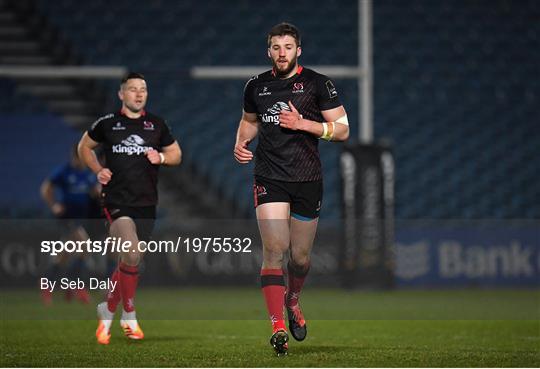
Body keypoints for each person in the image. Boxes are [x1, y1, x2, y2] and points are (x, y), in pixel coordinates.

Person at [234, 22, 349, 356]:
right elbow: (249, 121)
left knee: (299, 259)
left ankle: (293, 300)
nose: (281, 53)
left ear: (298, 50)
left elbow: (343, 130)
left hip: (307, 180)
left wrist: (304, 124)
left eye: (287, 47)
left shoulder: (316, 83)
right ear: (268, 50)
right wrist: (240, 142)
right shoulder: (256, 86)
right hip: (269, 177)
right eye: (275, 47)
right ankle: (278, 328)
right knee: (274, 249)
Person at [78, 72, 182, 345]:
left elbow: (176, 154)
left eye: (143, 89)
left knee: (132, 260)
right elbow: (84, 147)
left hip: (147, 203)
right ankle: (129, 312)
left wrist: (159, 156)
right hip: (116, 201)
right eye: (133, 89)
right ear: (121, 94)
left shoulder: (156, 125)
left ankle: (108, 307)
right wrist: (97, 170)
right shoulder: (108, 124)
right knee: (133, 252)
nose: (139, 93)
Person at [40, 143, 100, 305]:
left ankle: (48, 286)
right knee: (85, 246)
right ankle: (76, 286)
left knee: (63, 256)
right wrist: (54, 205)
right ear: (75, 156)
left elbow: (96, 191)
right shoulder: (64, 171)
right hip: (67, 218)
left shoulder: (87, 174)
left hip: (81, 219)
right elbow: (46, 188)